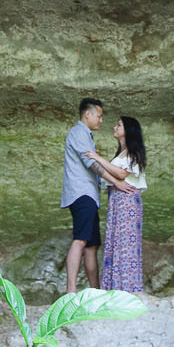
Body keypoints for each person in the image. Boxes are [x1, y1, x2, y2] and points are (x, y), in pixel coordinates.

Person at [89, 117, 148, 294]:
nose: (114, 127)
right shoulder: (122, 153)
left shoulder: (133, 152)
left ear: (128, 130)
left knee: (126, 246)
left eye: (119, 125)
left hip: (128, 201)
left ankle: (128, 290)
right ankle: (115, 289)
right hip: (117, 200)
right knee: (116, 243)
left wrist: (97, 157)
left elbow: (122, 174)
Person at [61, 97, 106, 296]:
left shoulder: (86, 135)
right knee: (80, 240)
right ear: (88, 114)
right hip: (82, 194)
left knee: (92, 246)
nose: (101, 121)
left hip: (89, 195)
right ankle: (71, 291)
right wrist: (116, 179)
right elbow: (91, 164)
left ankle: (95, 292)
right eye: (100, 116)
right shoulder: (78, 132)